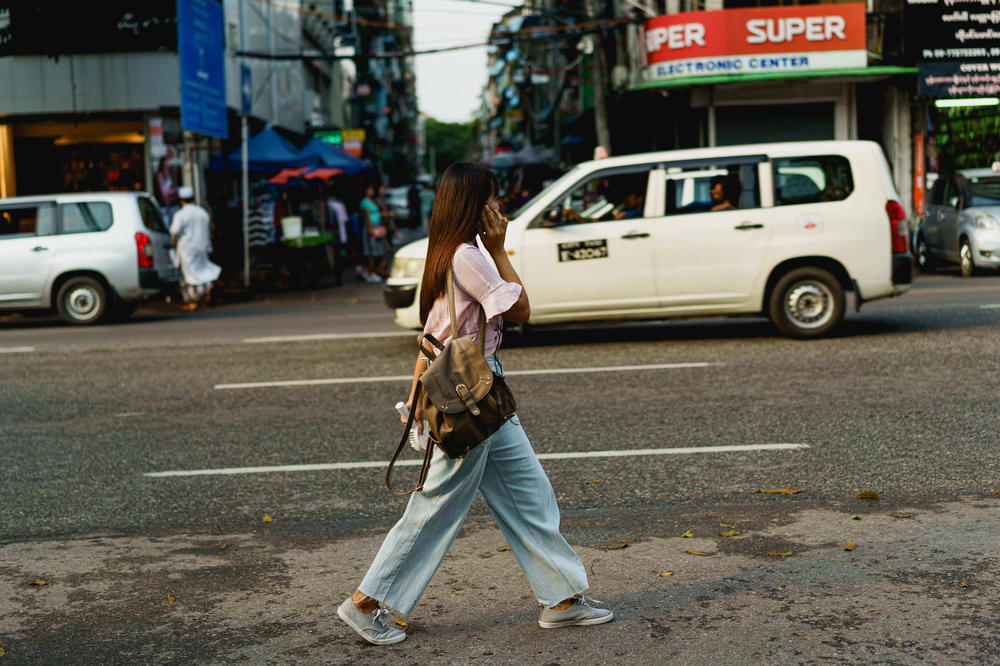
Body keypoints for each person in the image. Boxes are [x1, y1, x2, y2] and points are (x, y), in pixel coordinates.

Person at [336, 162, 613, 646]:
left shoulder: (446, 252)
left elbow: (430, 338)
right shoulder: (468, 256)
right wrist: (501, 248)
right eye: (490, 199)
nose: (497, 208)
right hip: (467, 394)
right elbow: (520, 310)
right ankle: (368, 601)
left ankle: (562, 598)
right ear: (472, 205)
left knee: (528, 493)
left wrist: (414, 394)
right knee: (437, 503)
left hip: (477, 388)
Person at [170, 186, 221, 311]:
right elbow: (210, 229)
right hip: (202, 246)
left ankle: (193, 301)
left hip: (187, 248)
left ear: (181, 200)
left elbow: (174, 231)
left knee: (190, 275)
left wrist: (173, 242)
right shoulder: (202, 212)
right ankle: (208, 287)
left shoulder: (181, 214)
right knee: (203, 269)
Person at [359, 184, 387, 283]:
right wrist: (370, 230)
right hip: (371, 228)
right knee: (371, 252)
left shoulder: (372, 201)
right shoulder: (364, 202)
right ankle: (372, 272)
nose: (372, 190)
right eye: (369, 188)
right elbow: (367, 217)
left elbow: (376, 213)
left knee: (379, 251)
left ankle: (377, 271)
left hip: (377, 227)